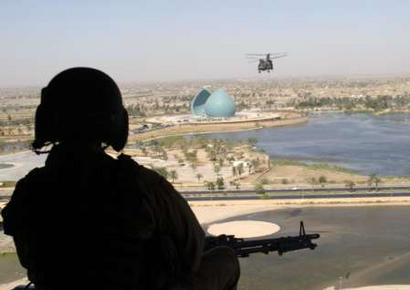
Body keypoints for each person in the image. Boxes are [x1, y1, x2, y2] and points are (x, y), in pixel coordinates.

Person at [1, 67, 240, 290]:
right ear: (116, 122)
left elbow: (28, 258)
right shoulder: (141, 184)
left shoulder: (29, 189)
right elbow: (192, 250)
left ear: (46, 121)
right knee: (226, 259)